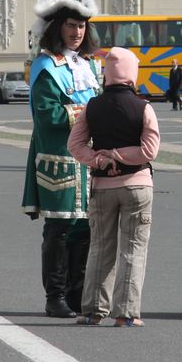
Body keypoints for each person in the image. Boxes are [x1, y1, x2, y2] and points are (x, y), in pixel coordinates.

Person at [68, 48, 160, 328]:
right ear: (133, 74)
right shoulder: (144, 107)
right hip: (137, 186)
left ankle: (93, 311)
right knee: (133, 249)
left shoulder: (91, 107)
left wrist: (99, 158)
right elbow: (150, 150)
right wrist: (121, 155)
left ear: (106, 75)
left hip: (102, 186)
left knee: (100, 247)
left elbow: (75, 145)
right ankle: (126, 314)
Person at [21, 0, 101, 319]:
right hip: (58, 160)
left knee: (84, 229)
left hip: (87, 162)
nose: (77, 32)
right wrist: (87, 113)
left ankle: (76, 293)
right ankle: (54, 296)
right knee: (59, 229)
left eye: (82, 26)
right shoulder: (45, 67)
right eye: (71, 25)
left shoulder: (91, 66)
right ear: (58, 28)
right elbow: (46, 114)